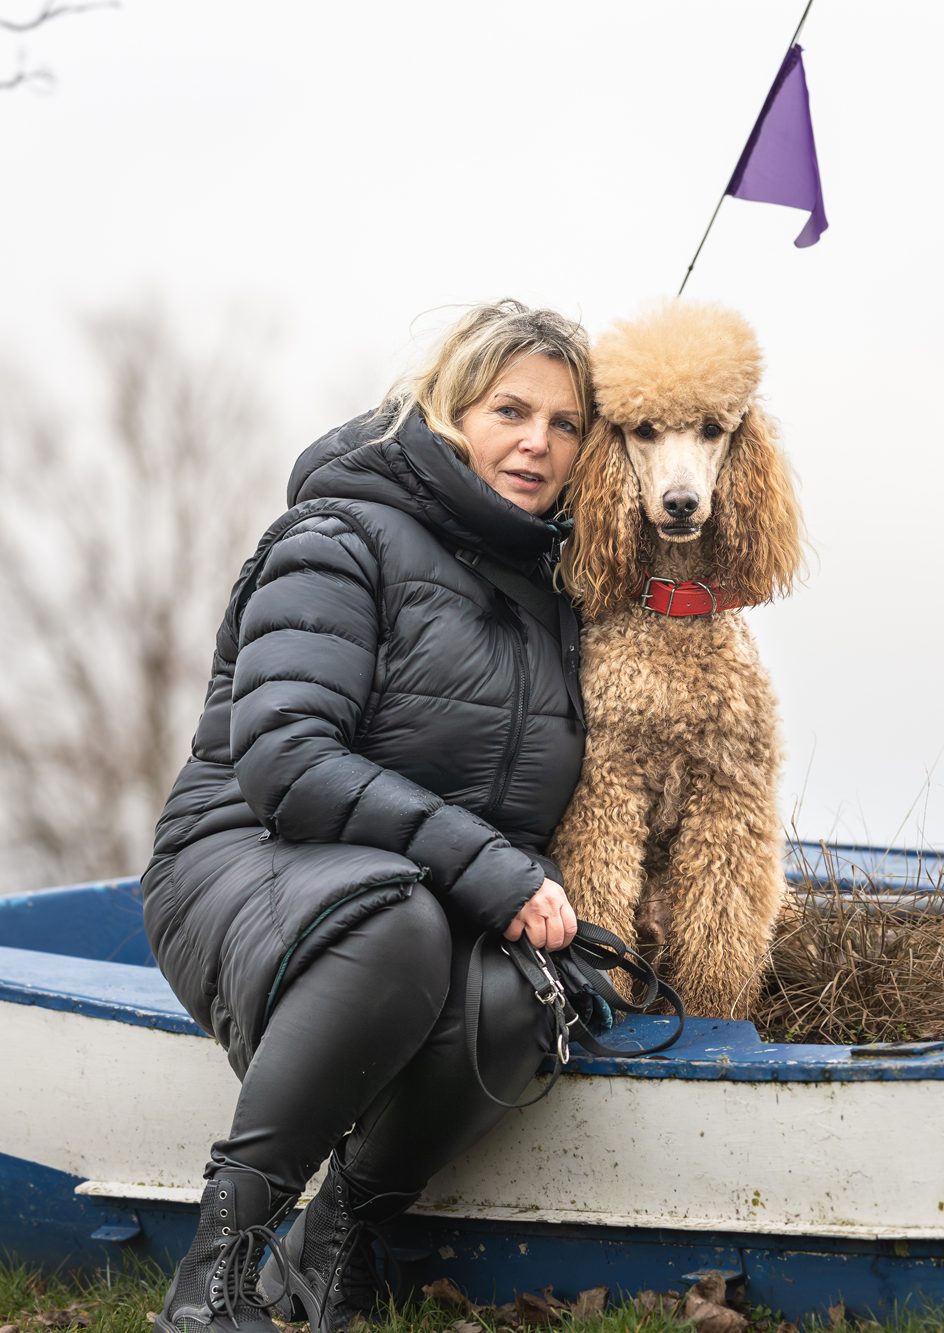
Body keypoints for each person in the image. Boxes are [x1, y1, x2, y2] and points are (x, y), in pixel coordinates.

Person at [140, 300, 592, 1333]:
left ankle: (328, 1251)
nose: (537, 441)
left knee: (524, 994)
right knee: (397, 922)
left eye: (565, 423)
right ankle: (212, 1280)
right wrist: (488, 868)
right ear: (447, 410)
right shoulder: (338, 533)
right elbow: (287, 759)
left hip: (419, 882)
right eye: (510, 409)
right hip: (247, 853)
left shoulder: (556, 593)